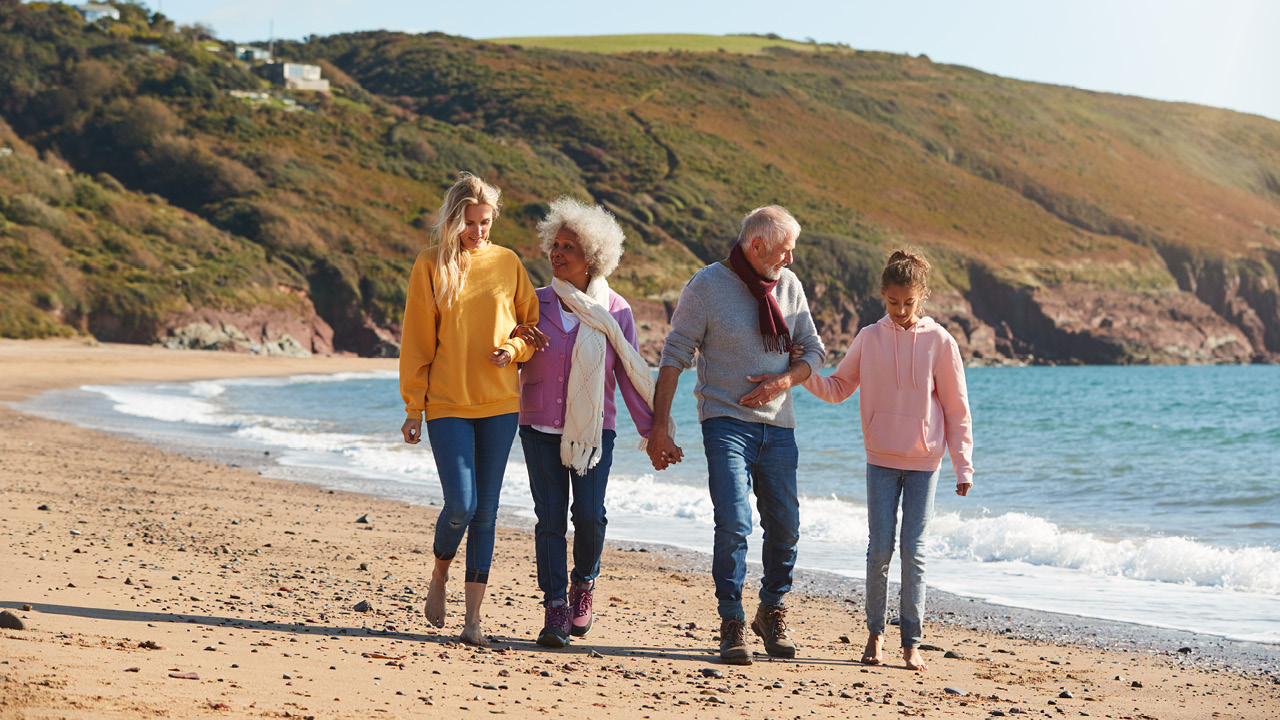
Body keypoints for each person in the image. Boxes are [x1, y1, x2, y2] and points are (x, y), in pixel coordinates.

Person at [646, 205, 825, 665]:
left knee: (785, 528)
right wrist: (658, 427)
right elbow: (674, 357)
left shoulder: (789, 286)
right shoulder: (705, 286)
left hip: (779, 425)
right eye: (785, 252)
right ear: (757, 246)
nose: (789, 261)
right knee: (734, 523)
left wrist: (781, 381)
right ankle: (731, 620)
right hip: (724, 421)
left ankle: (771, 610)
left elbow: (816, 351)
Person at [801, 249, 974, 672]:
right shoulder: (868, 337)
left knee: (914, 551)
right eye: (893, 302)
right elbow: (840, 386)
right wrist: (802, 376)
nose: (900, 311)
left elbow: (956, 408)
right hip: (880, 458)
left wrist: (963, 464)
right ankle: (875, 634)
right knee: (879, 549)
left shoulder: (940, 342)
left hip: (924, 463)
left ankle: (911, 642)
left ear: (922, 298)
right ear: (883, 296)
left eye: (908, 303)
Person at [515, 197, 671, 648]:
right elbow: (511, 352)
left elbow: (628, 372)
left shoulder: (616, 309)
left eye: (570, 247)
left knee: (588, 515)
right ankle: (554, 608)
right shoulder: (534, 302)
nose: (557, 253)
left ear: (594, 258)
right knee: (549, 520)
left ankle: (584, 584)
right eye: (555, 244)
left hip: (594, 432)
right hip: (539, 428)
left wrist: (653, 432)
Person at [398, 172, 540, 647]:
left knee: (487, 512)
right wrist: (412, 407)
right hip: (447, 403)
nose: (480, 232)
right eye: (472, 223)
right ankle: (439, 574)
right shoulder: (431, 265)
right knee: (462, 502)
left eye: (486, 222)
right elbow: (417, 342)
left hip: (500, 403)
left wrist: (513, 352)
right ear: (454, 220)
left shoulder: (508, 262)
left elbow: (529, 327)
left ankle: (473, 622)